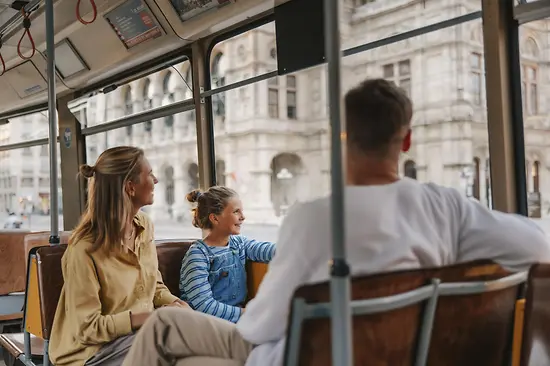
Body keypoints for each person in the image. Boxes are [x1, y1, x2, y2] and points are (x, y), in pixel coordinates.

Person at [121, 79, 550, 366]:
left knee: (164, 330)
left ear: (339, 137)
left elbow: (258, 328)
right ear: (406, 140)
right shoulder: (448, 207)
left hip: (302, 356)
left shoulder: (312, 219)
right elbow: (538, 248)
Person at [49, 146, 188, 366]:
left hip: (138, 337)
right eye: (149, 174)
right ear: (130, 187)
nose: (156, 179)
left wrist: (178, 304)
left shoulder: (144, 227)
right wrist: (148, 318)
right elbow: (87, 329)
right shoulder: (83, 250)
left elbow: (154, 286)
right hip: (91, 353)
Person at [179, 187, 276, 323]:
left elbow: (265, 250)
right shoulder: (197, 255)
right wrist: (247, 313)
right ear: (215, 218)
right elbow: (204, 306)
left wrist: (292, 248)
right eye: (236, 211)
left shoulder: (239, 244)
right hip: (205, 324)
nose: (243, 217)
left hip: (236, 320)